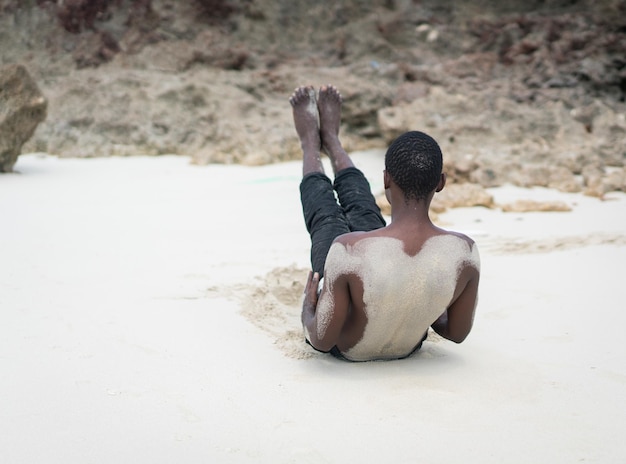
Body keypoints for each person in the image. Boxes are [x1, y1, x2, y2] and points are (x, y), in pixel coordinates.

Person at [290, 84, 480, 362]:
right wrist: (427, 305)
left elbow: (321, 340)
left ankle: (312, 144)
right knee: (367, 217)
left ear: (386, 180)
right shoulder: (465, 253)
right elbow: (456, 332)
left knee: (327, 218)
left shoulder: (347, 250)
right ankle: (331, 140)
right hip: (407, 347)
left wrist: (308, 309)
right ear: (440, 183)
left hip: (349, 350)